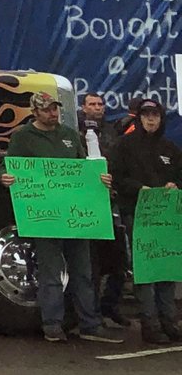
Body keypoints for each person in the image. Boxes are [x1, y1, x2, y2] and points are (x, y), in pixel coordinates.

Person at [0, 92, 121, 343]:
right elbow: (7, 165)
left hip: (75, 215)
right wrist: (4, 177)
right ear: (35, 112)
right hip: (46, 216)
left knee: (83, 272)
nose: (52, 113)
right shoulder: (23, 137)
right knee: (51, 272)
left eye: (54, 109)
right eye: (46, 110)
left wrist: (100, 179)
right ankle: (52, 324)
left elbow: (83, 166)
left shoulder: (69, 135)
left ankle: (90, 323)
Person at [112, 97, 182, 346]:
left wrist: (176, 185)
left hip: (166, 218)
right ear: (139, 117)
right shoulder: (124, 146)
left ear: (162, 118)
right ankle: (150, 324)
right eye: (146, 114)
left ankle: (169, 321)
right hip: (137, 213)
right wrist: (138, 188)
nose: (151, 118)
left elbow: (180, 175)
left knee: (166, 268)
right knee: (146, 271)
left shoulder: (170, 148)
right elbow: (116, 177)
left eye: (155, 114)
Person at [79, 92, 131, 327]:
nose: (97, 108)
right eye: (92, 104)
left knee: (120, 260)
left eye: (100, 104)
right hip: (86, 203)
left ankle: (110, 305)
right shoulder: (74, 132)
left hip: (111, 200)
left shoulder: (111, 132)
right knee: (93, 263)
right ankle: (91, 313)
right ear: (83, 107)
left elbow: (119, 163)